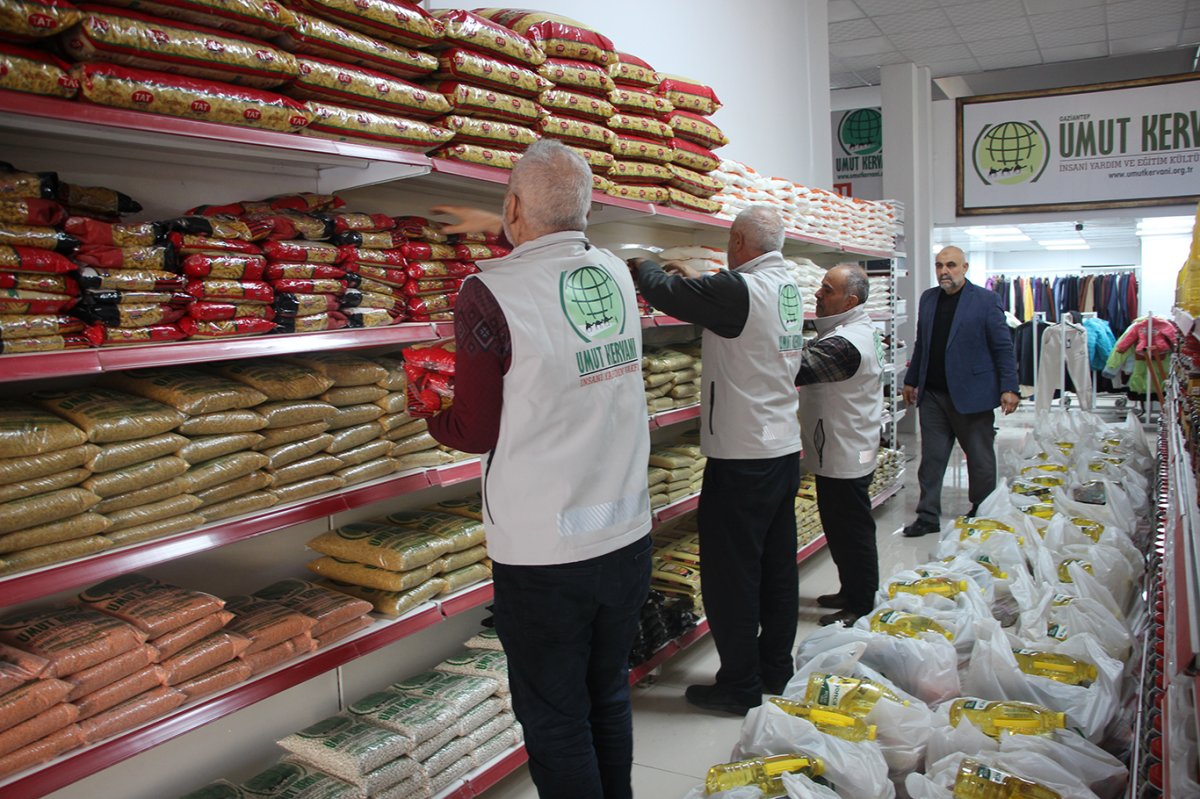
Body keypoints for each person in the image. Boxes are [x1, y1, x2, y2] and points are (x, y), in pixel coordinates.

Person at [425, 140, 652, 799]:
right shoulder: (614, 273)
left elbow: (475, 429)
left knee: (554, 719)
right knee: (607, 691)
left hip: (545, 554)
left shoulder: (486, 294)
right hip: (625, 534)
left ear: (513, 206)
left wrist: (427, 412)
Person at [630, 205, 803, 715]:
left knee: (731, 576)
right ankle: (775, 669)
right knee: (776, 570)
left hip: (743, 455)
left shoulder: (739, 291)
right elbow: (723, 302)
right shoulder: (785, 287)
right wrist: (696, 281)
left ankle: (738, 687)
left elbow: (664, 293)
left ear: (741, 242)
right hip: (780, 446)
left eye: (731, 241)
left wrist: (644, 265)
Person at [901, 245, 1019, 537]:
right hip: (934, 395)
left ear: (964, 268)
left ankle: (982, 510)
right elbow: (922, 344)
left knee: (979, 459)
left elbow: (1003, 347)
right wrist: (911, 378)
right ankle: (927, 516)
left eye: (951, 265)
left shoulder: (986, 300)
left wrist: (1009, 387)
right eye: (939, 265)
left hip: (973, 394)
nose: (944, 271)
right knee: (931, 460)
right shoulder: (928, 299)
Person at [794, 264, 882, 626]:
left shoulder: (846, 343)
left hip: (847, 449)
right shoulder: (851, 330)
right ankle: (851, 589)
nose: (817, 294)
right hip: (844, 445)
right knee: (841, 527)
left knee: (852, 531)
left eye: (826, 290)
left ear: (850, 300)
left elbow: (798, 369)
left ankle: (861, 603)